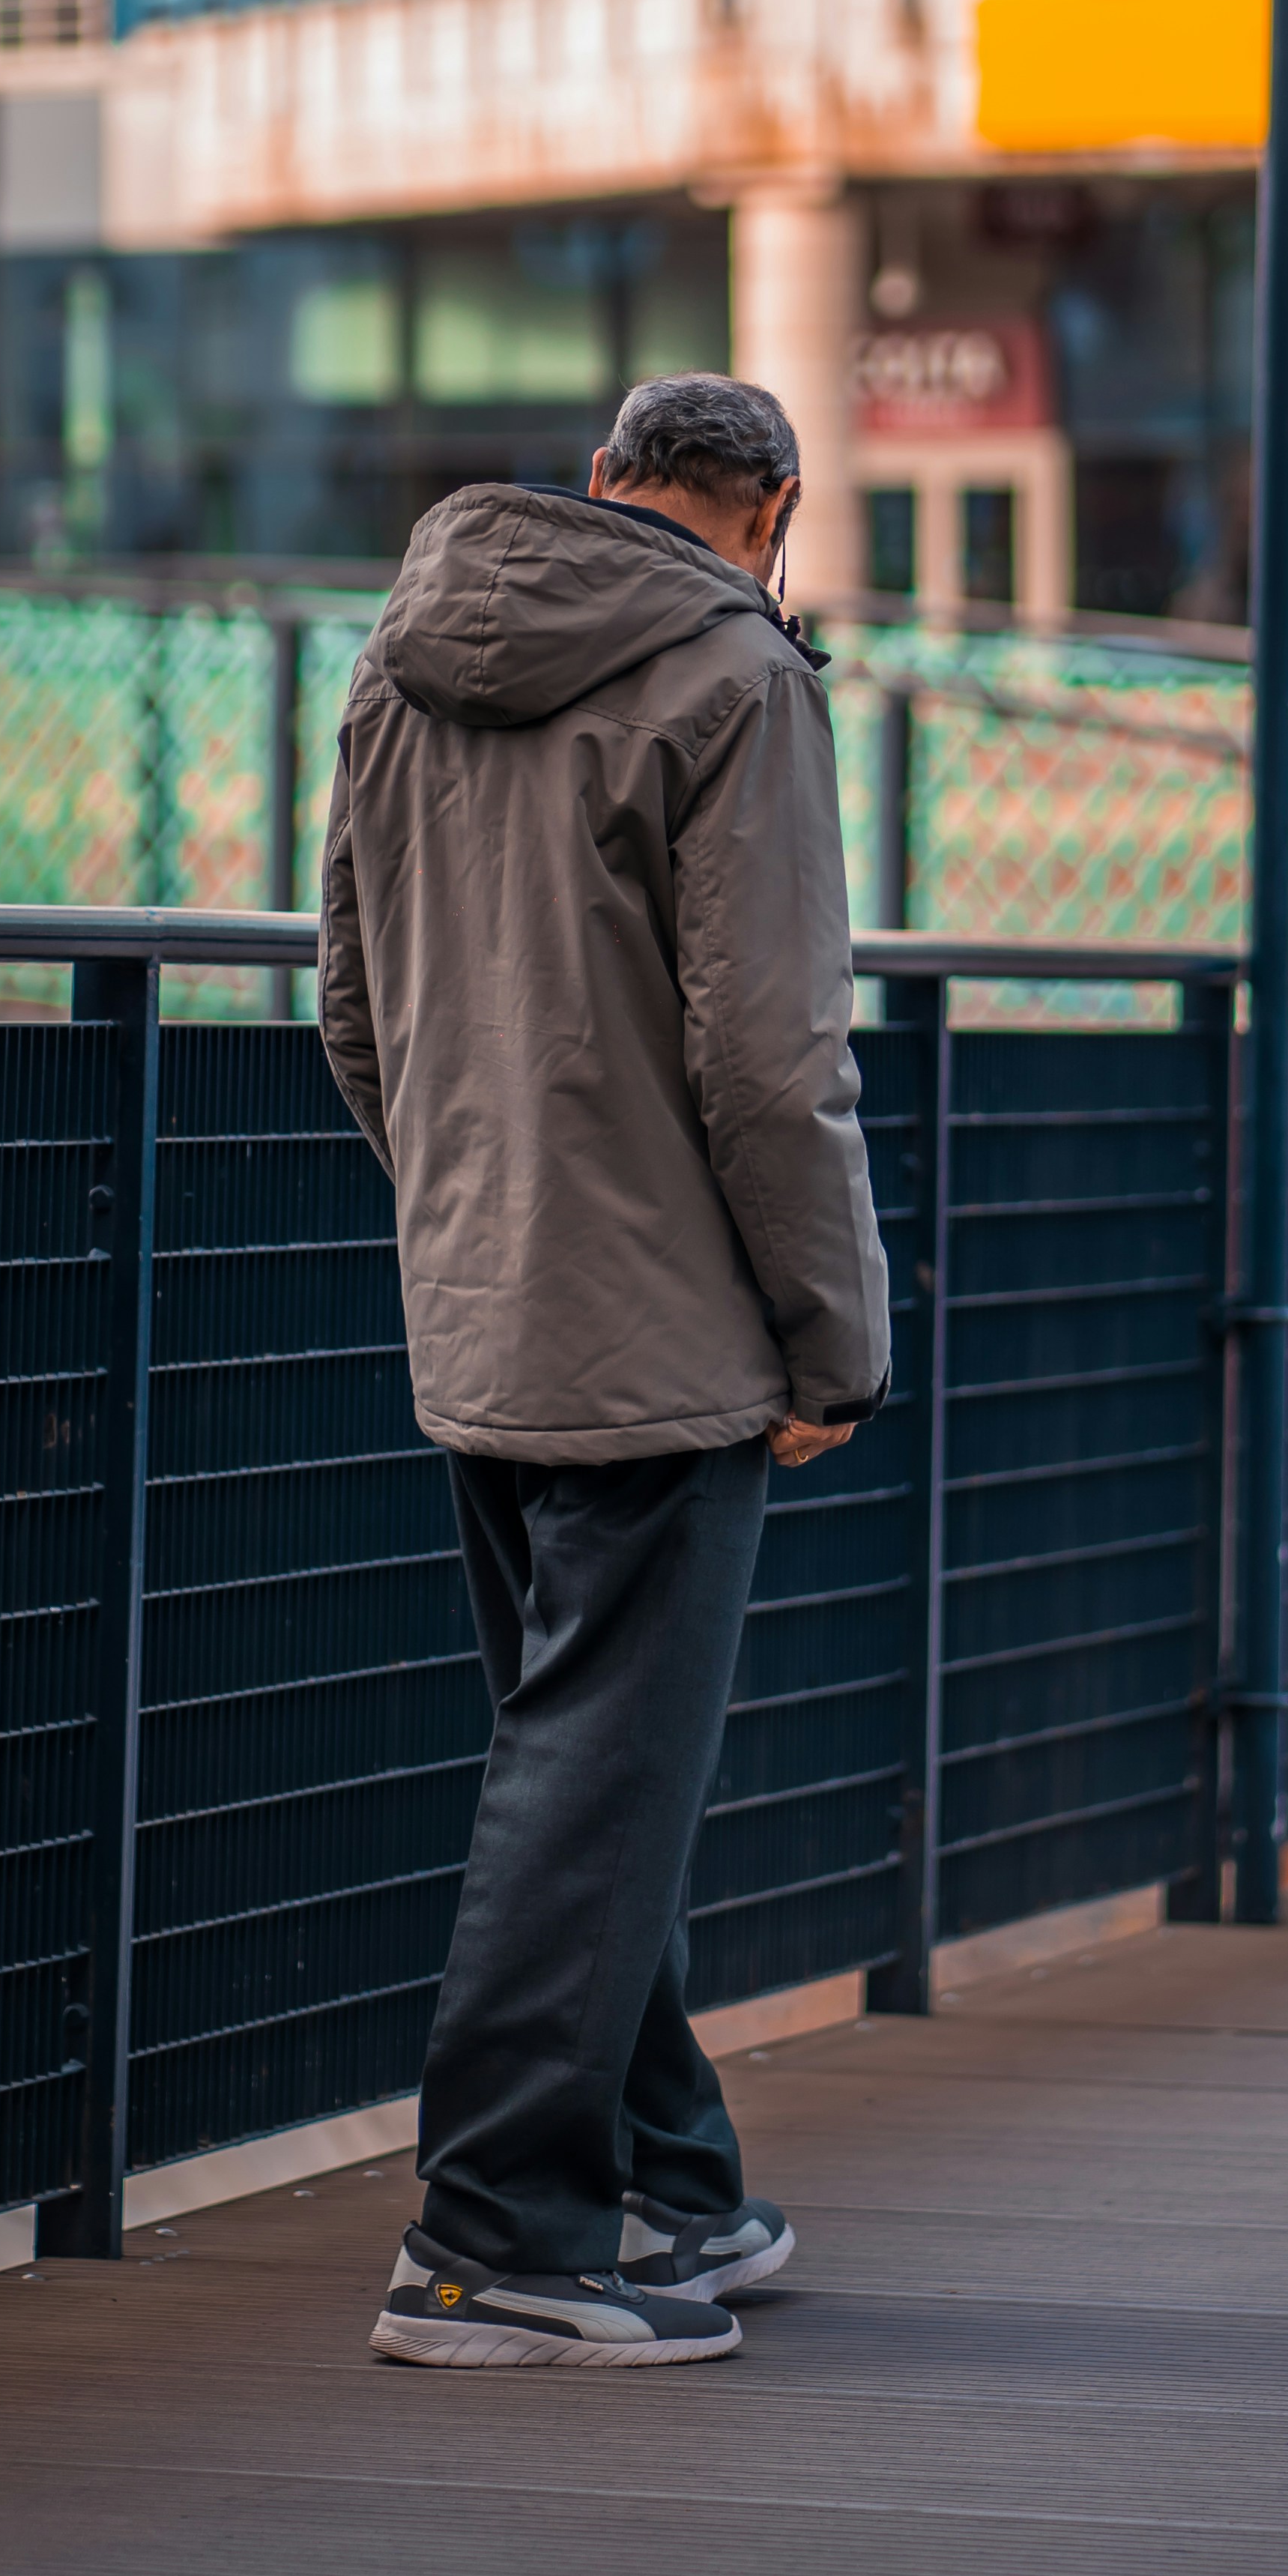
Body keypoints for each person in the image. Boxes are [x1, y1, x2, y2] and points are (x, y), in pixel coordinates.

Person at [319, 372, 890, 2372]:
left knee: (576, 1768)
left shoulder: (400, 662)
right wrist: (832, 1334)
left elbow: (354, 1009)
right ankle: (489, 2245)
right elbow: (773, 1058)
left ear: (600, 483)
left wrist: (474, 1217)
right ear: (774, 509)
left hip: (483, 1293)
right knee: (597, 1783)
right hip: (660, 1328)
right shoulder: (739, 677)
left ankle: (669, 2186)